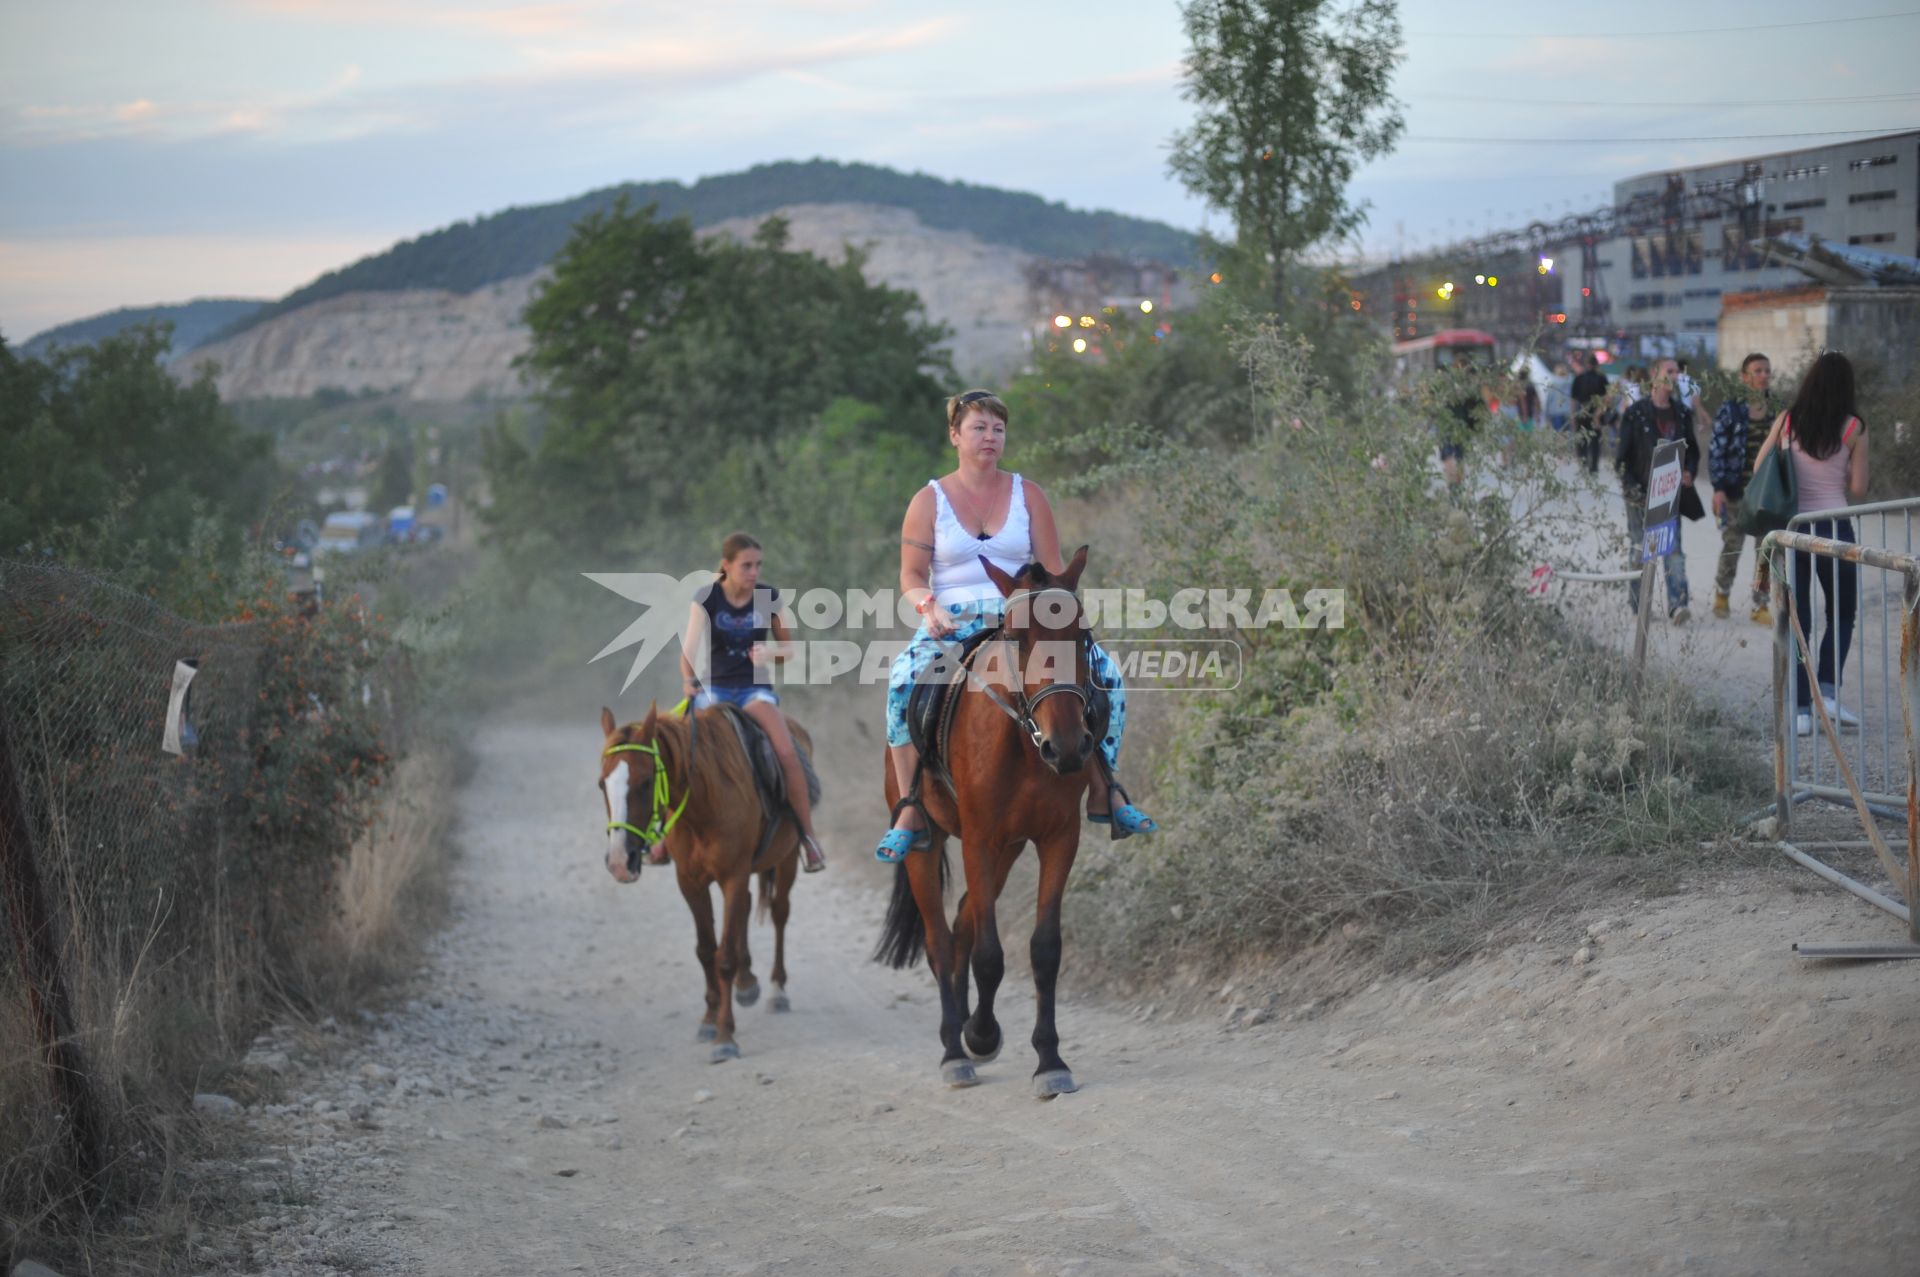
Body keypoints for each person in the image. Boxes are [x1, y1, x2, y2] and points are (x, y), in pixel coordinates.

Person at [875, 389, 1156, 862]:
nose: (990, 437)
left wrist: (1060, 620)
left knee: (1107, 674)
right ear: (955, 435)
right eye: (978, 428)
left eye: (998, 429)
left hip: (1023, 620)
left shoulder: (1029, 495)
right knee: (901, 681)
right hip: (954, 621)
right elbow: (910, 575)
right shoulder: (930, 500)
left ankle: (1107, 788)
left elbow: (1050, 570)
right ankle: (910, 806)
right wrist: (929, 607)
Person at [675, 533, 826, 872]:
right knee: (681, 749)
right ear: (727, 566)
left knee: (786, 751)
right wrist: (688, 681)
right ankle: (664, 837)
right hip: (714, 689)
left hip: (753, 689)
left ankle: (808, 838)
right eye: (746, 565)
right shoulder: (707, 598)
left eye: (758, 565)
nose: (754, 572)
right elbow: (688, 652)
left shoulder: (768, 598)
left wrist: (770, 652)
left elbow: (788, 650)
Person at [1748, 351, 1870, 737]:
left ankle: (1801, 710)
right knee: (1843, 612)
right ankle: (1829, 693)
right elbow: (1859, 488)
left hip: (1794, 529)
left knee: (1800, 619)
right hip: (1835, 528)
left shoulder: (1787, 421)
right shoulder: (1854, 428)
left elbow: (1758, 468)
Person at [1616, 356, 1700, 623]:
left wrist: (1690, 472)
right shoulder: (1636, 413)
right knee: (1641, 549)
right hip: (1639, 493)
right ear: (1655, 374)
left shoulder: (1683, 414)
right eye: (1670, 371)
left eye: (1677, 372)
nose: (1675, 376)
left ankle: (1678, 604)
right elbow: (1621, 458)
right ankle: (1639, 603)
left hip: (1669, 494)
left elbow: (1693, 451)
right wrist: (1631, 487)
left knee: (1673, 550)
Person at [1707, 353, 1781, 622]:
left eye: (1766, 370)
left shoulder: (1777, 409)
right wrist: (1718, 488)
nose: (1763, 375)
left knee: (1767, 550)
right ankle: (1722, 594)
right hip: (1736, 491)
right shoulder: (1731, 408)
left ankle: (1760, 605)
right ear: (1744, 377)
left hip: (1768, 494)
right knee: (1732, 544)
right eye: (1757, 370)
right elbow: (1716, 450)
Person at [1569, 352, 1609, 475]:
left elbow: (1573, 399)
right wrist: (1599, 413)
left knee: (1581, 440)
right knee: (1595, 440)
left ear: (1586, 364)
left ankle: (1583, 463)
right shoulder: (1602, 378)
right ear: (1597, 365)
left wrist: (1573, 415)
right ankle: (1594, 467)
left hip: (1581, 412)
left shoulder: (1579, 378)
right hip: (1596, 413)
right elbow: (1607, 397)